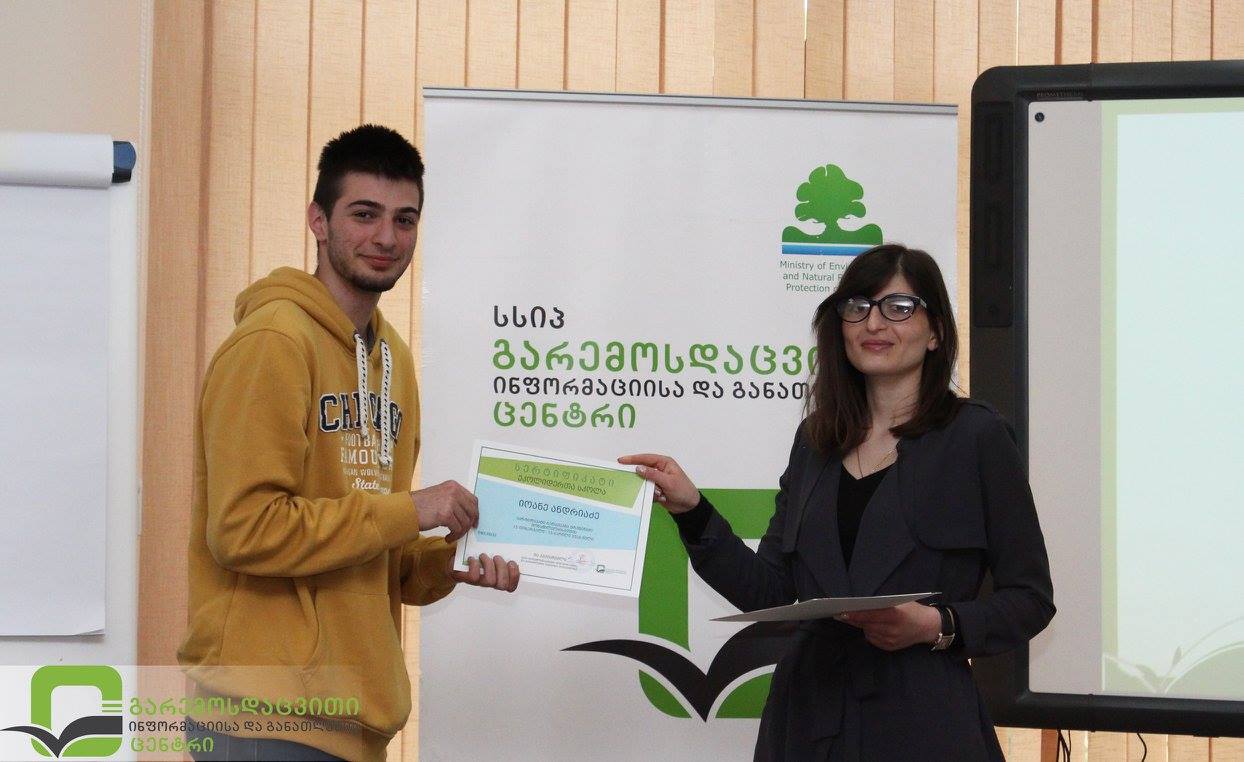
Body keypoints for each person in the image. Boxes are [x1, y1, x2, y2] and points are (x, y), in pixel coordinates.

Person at [622, 244, 1054, 761]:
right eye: (857, 306)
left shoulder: (976, 436)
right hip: (809, 719)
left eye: (899, 307)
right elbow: (769, 591)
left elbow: (1030, 598)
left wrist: (937, 625)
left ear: (936, 332)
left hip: (922, 718)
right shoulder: (816, 441)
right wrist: (693, 510)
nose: (874, 322)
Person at [178, 125, 519, 762]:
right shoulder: (273, 342)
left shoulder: (394, 360)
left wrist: (452, 560)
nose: (386, 237)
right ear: (318, 220)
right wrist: (411, 509)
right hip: (264, 717)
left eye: (404, 219)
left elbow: (379, 553)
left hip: (351, 721)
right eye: (364, 214)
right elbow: (245, 529)